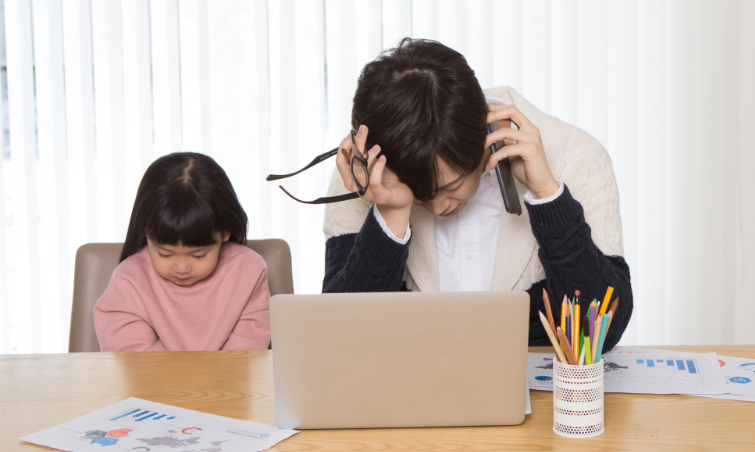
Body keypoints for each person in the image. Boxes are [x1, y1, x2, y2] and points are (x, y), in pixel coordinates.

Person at [321, 38, 632, 351]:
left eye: (451, 187)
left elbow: (602, 333)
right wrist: (391, 214)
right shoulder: (367, 175)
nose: (437, 206)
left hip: (544, 394)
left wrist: (547, 196)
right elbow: (342, 341)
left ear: (482, 142)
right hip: (407, 388)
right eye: (418, 194)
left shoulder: (578, 157)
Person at [94, 152, 270, 351]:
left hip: (230, 381)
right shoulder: (129, 280)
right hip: (153, 382)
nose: (182, 268)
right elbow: (133, 360)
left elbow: (248, 352)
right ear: (145, 233)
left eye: (199, 255)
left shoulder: (248, 270)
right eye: (165, 254)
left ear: (224, 232)